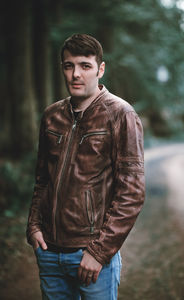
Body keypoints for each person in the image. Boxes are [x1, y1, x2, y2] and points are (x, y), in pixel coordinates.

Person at [26, 33, 145, 300]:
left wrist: (99, 252)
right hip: (49, 254)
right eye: (69, 66)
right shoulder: (52, 115)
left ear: (100, 69)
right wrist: (33, 226)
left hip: (91, 257)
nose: (76, 74)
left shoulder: (121, 115)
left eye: (85, 66)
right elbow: (43, 178)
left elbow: (132, 193)